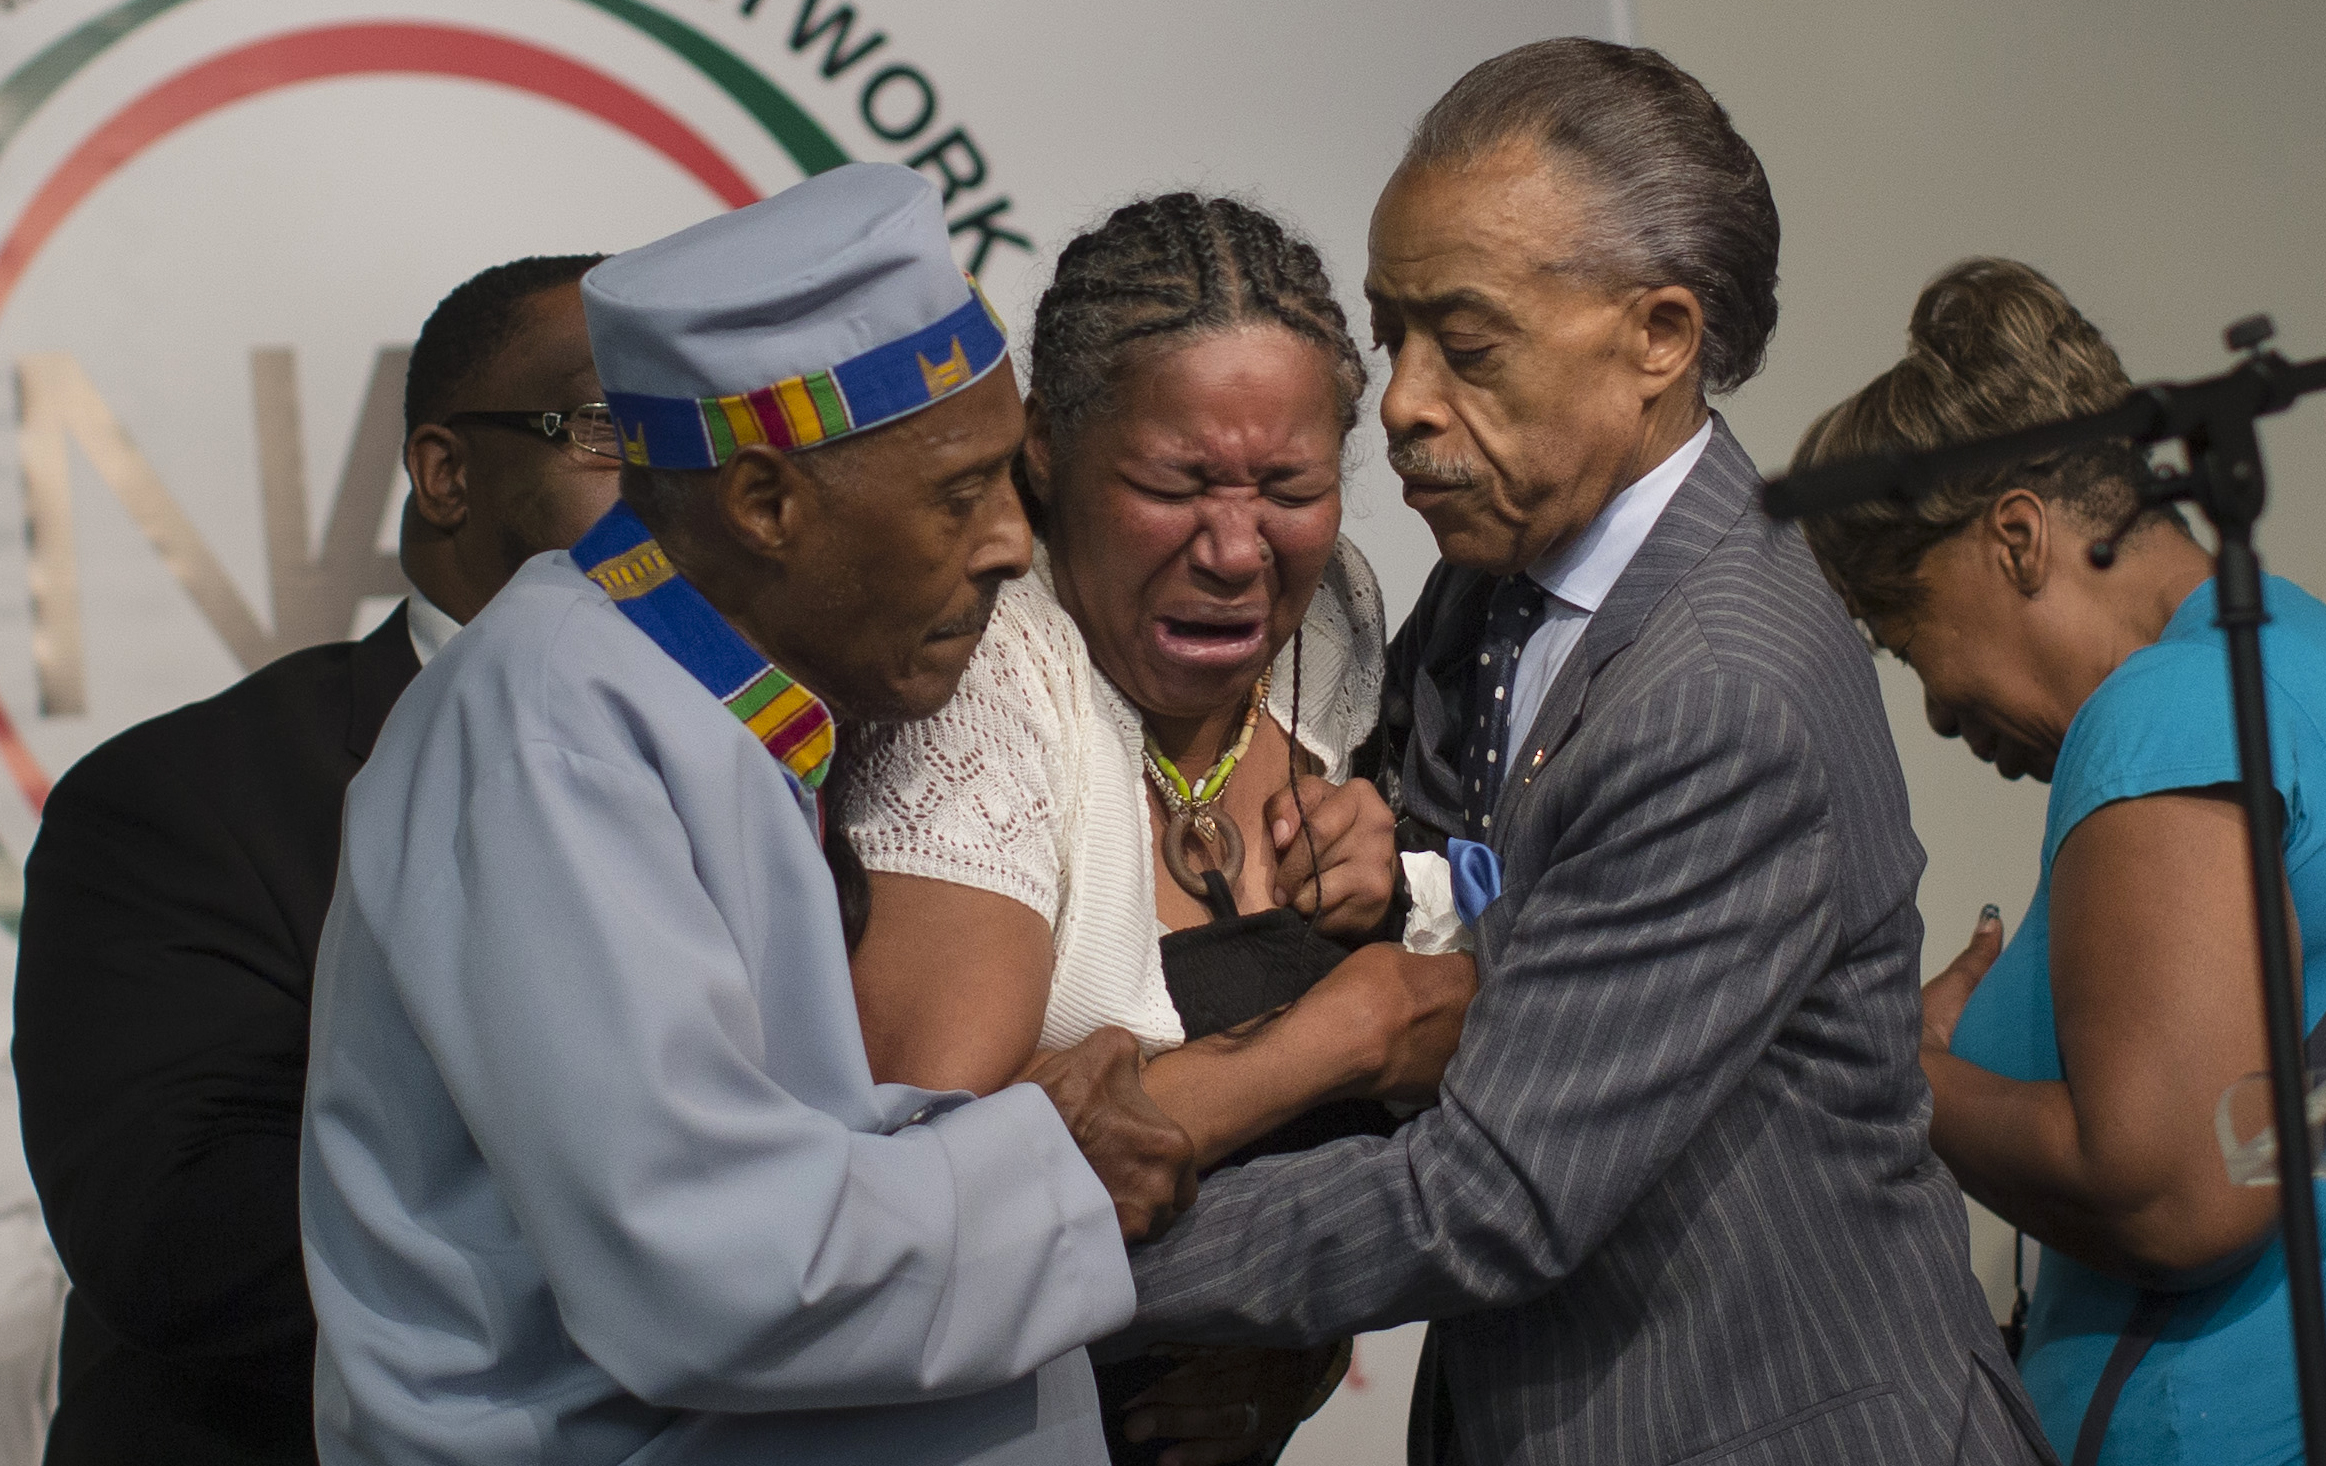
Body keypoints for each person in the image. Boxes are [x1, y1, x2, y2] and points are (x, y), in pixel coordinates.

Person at [1116, 39, 2056, 1466]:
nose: (1402, 402)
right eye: (1393, 336)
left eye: (1466, 345)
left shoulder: (1721, 688)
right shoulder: (1491, 583)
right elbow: (1438, 942)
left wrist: (1030, 1256)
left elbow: (1490, 1192)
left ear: (1659, 337)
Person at [299, 163, 1198, 1465]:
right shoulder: (553, 735)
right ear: (766, 502)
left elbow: (762, 1166)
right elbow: (711, 1272)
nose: (1011, 541)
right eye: (958, 494)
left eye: (1012, 479)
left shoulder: (684, 696)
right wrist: (1059, 1161)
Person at [841, 193, 1475, 1465]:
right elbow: (928, 1204)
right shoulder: (981, 688)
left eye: (1288, 487)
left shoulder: (1333, 629)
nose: (1237, 549)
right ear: (1048, 466)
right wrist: (1347, 1028)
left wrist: (1296, 1339)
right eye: (1172, 484)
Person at [13, 252, 620, 1464]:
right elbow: (181, 1242)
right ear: (446, 474)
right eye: (611, 430)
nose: (681, 485)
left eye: (706, 437)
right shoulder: (183, 802)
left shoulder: (821, 762)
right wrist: (684, 1211)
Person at [1794, 257, 2318, 1466]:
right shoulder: (2289, 655)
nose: (1929, 706)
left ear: (2016, 537)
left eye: (1904, 628)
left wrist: (1882, 1062)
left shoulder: (2163, 713)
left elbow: (2169, 1193)